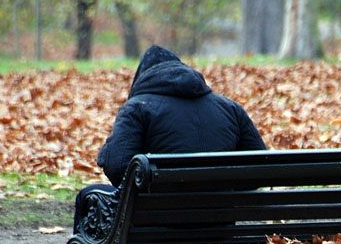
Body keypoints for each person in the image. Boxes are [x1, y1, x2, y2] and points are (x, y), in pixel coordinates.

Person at [96, 44, 266, 186]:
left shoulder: (136, 108)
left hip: (157, 221)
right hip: (221, 219)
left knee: (88, 196)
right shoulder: (230, 108)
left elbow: (117, 169)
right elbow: (260, 167)